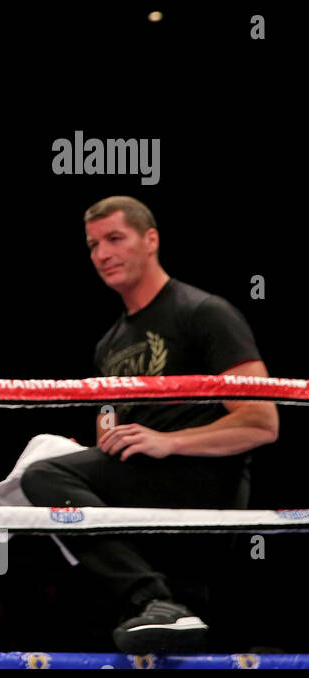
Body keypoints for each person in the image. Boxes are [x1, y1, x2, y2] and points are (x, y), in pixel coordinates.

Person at [20, 196, 278, 654]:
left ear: (151, 240)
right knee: (142, 635)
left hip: (202, 480)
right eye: (93, 245)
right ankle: (161, 606)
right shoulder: (108, 345)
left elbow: (261, 421)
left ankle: (150, 597)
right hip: (146, 482)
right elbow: (107, 428)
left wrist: (169, 441)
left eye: (115, 238)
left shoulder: (204, 312)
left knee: (43, 477)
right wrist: (87, 453)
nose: (103, 254)